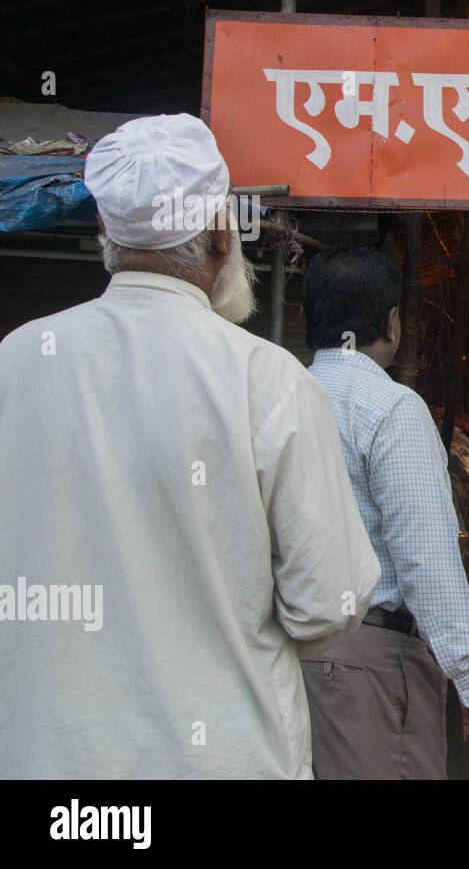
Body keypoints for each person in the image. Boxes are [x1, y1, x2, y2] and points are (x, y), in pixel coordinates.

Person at [0, 113, 381, 778]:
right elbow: (328, 606)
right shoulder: (267, 381)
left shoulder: (18, 360)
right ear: (219, 234)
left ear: (103, 232)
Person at [301, 246, 469, 779]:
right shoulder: (391, 408)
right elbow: (428, 565)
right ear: (392, 322)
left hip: (292, 650)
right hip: (372, 657)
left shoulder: (281, 396)